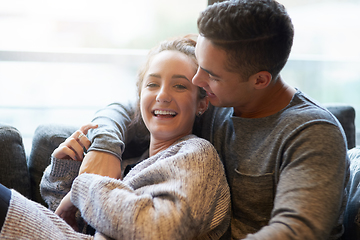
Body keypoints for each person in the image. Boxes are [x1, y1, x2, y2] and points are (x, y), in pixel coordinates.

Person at [77, 0, 350, 239]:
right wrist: (105, 145)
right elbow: (128, 108)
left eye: (210, 75)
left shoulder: (313, 134)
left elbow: (296, 232)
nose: (197, 80)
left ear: (260, 80)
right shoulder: (218, 101)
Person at [0, 37, 231, 239]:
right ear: (140, 97)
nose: (162, 95)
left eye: (179, 86)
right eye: (152, 84)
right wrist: (65, 172)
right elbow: (71, 223)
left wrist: (82, 187)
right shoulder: (135, 162)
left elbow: (159, 231)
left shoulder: (198, 155)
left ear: (201, 103)